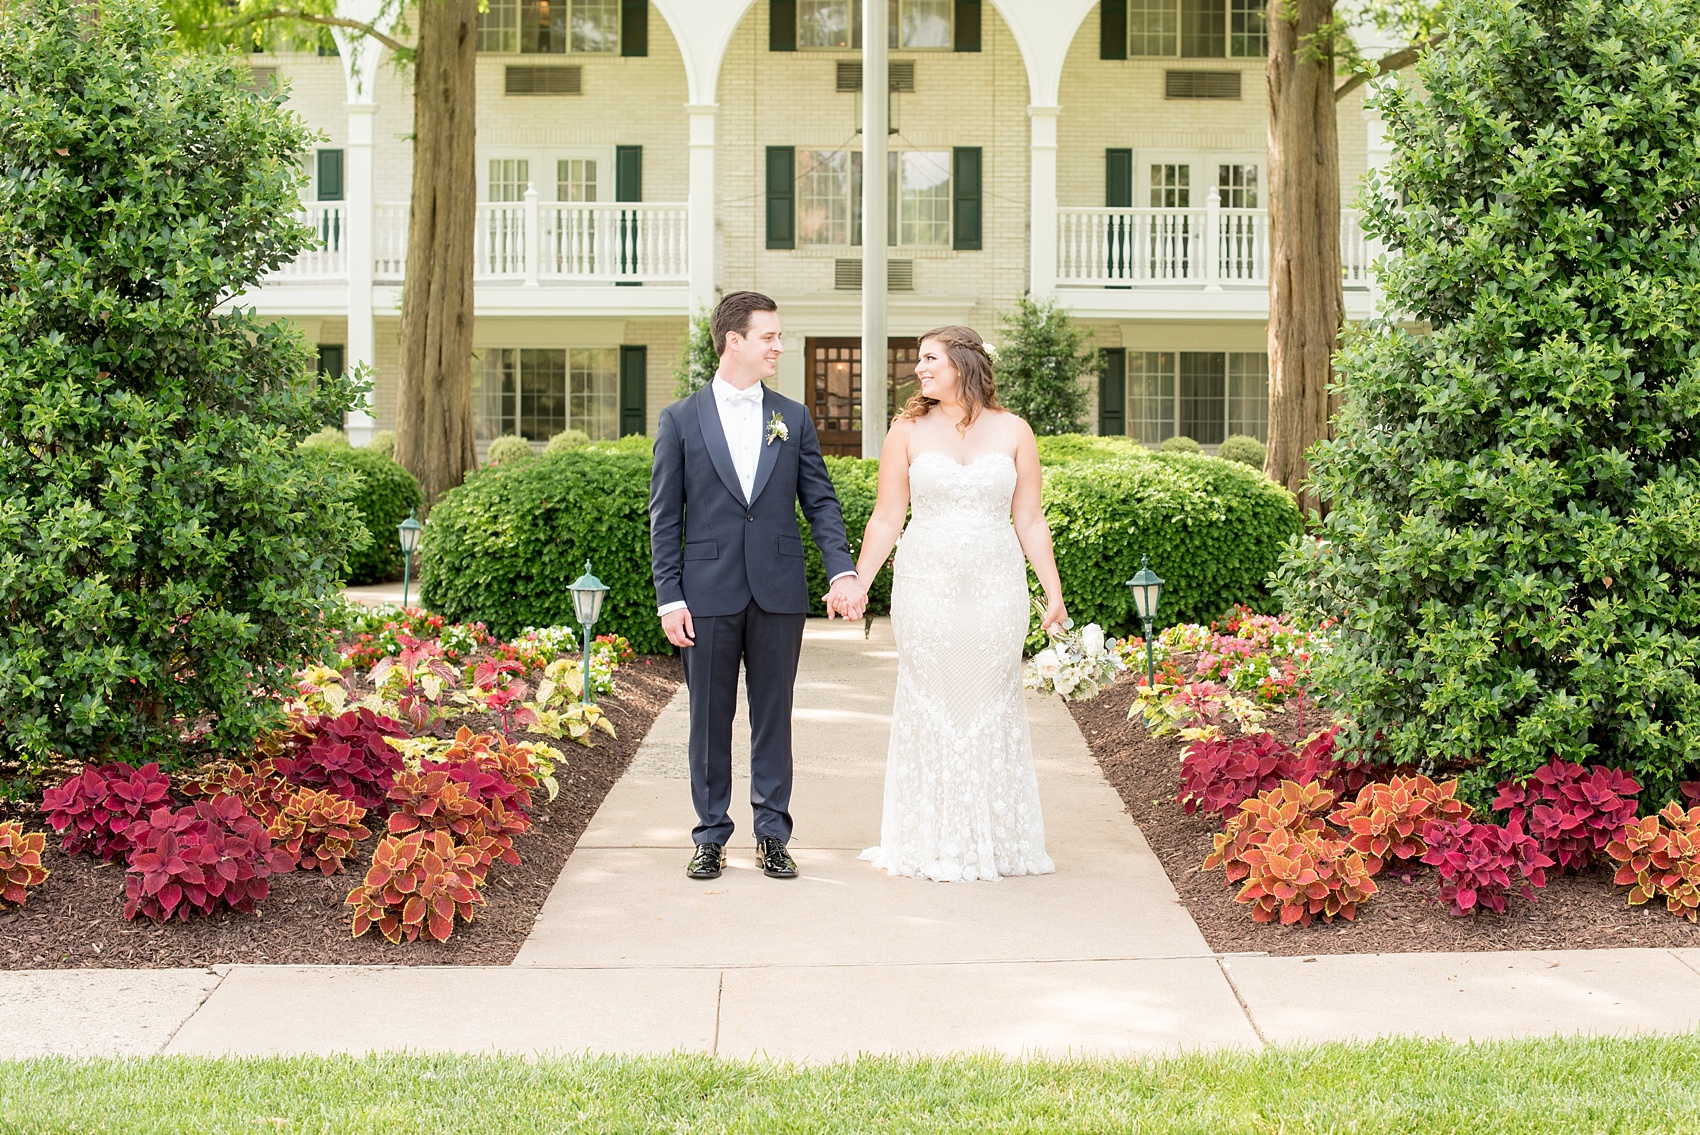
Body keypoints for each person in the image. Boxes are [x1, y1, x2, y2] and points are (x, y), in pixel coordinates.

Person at [649, 291, 867, 882]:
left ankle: (772, 833)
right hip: (706, 594)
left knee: (775, 716)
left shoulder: (792, 418)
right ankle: (710, 836)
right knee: (708, 722)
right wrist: (670, 596)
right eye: (769, 336)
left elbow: (819, 502)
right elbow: (665, 517)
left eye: (779, 335)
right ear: (734, 341)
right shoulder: (679, 420)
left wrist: (841, 569)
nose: (779, 346)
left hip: (778, 593)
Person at [852, 325, 1065, 882]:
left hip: (997, 589)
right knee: (931, 700)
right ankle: (929, 838)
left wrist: (1052, 591)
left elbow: (1029, 517)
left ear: (964, 363)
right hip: (926, 589)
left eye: (930, 358)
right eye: (919, 360)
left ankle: (996, 838)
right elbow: (887, 516)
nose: (919, 369)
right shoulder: (906, 430)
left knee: (990, 702)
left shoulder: (1015, 429)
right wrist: (858, 581)